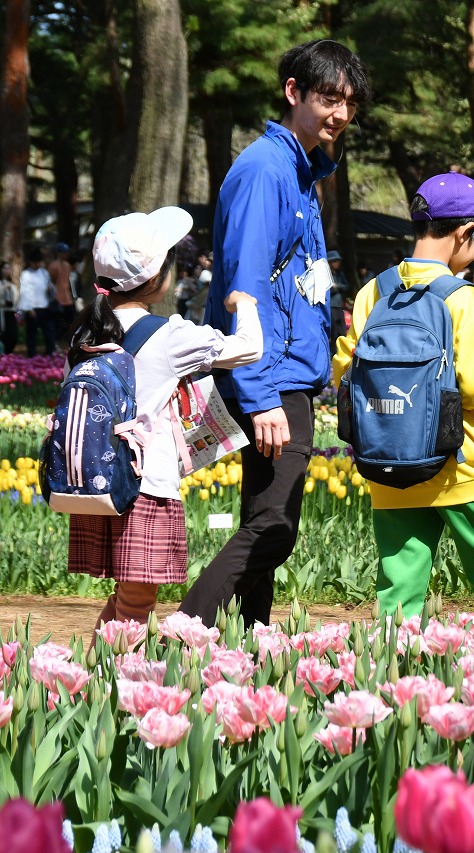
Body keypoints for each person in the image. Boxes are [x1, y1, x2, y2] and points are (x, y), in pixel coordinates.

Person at [180, 39, 371, 627]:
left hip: (287, 370)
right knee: (275, 527)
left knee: (265, 516)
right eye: (327, 98)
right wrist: (260, 397)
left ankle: (252, 640)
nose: (339, 113)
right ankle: (187, 627)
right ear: (294, 93)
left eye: (348, 102)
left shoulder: (300, 170)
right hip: (271, 375)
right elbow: (246, 288)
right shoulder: (266, 170)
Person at [332, 173, 474, 617]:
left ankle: (393, 676)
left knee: (398, 593)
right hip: (460, 465)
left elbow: (346, 369)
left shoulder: (372, 292)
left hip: (389, 463)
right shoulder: (461, 297)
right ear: (463, 233)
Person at [67, 207, 263, 625]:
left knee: (127, 594)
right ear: (158, 278)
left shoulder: (86, 331)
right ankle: (116, 683)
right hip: (146, 485)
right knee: (137, 602)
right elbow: (250, 348)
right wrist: (244, 303)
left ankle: (97, 673)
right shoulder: (169, 334)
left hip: (97, 480)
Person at [19, 247, 57, 356]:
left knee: (49, 332)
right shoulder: (26, 274)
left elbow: (51, 287)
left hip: (44, 307)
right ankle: (32, 354)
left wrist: (51, 289)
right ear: (31, 262)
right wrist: (28, 308)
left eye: (39, 262)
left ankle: (49, 353)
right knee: (32, 334)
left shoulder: (44, 273)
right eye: (35, 262)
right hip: (32, 308)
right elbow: (25, 292)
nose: (37, 264)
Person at [47, 243, 75, 337]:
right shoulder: (53, 266)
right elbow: (52, 281)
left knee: (70, 321)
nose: (65, 254)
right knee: (58, 323)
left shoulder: (67, 265)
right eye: (63, 252)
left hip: (68, 298)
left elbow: (69, 281)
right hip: (57, 298)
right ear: (58, 253)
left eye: (66, 252)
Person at [326, 249, 351, 345]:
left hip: (339, 306)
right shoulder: (327, 275)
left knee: (342, 330)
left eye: (338, 261)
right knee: (333, 331)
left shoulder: (340, 274)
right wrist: (336, 287)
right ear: (330, 262)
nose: (338, 263)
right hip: (331, 306)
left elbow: (347, 286)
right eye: (335, 261)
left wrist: (338, 286)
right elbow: (328, 290)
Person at [0, 262, 18, 354]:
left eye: (8, 268)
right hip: (2, 312)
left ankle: (8, 354)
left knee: (13, 335)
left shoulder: (12, 284)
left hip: (11, 312)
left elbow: (15, 299)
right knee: (3, 334)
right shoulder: (2, 284)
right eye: (4, 268)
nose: (7, 270)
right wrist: (3, 287)